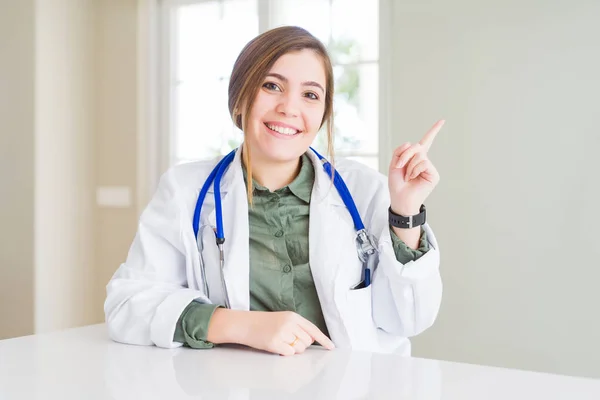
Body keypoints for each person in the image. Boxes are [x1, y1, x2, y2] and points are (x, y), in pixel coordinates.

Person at [105, 26, 443, 357]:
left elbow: (410, 318)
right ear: (239, 98)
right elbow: (126, 305)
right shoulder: (185, 191)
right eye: (271, 86)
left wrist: (406, 210)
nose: (289, 108)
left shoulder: (364, 190)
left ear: (323, 115)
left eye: (310, 95)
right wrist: (239, 325)